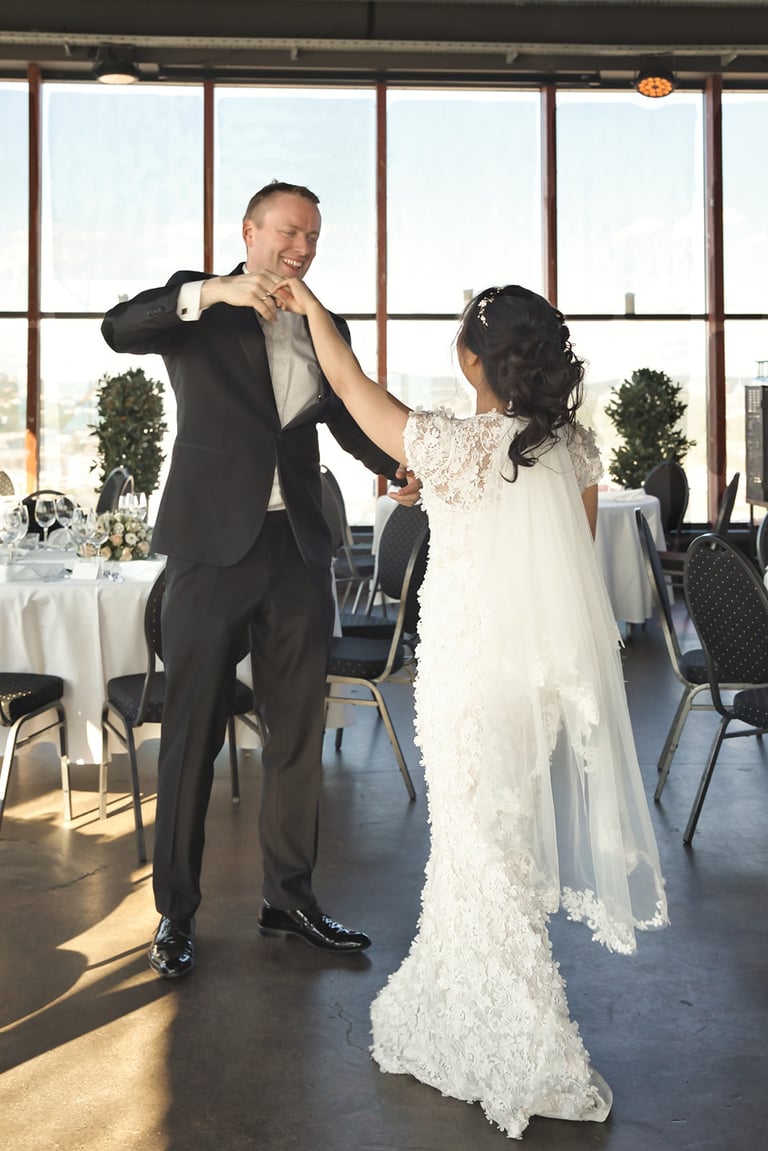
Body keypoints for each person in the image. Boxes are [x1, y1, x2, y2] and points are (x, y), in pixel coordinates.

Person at [270, 276, 669, 1139]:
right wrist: (443, 491)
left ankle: (526, 1045)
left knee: (479, 844)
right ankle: (458, 1004)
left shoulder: (453, 443)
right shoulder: (571, 449)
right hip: (532, 684)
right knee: (491, 842)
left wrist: (310, 309)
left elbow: (350, 386)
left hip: (467, 681)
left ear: (472, 359)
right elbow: (563, 557)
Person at [101, 180, 418, 978]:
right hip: (209, 549)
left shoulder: (324, 321)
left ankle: (290, 898)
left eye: (313, 236)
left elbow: (344, 414)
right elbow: (117, 327)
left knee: (298, 733)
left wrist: (393, 467)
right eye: (289, 231)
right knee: (192, 733)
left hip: (297, 549)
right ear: (250, 231)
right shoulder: (198, 306)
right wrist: (211, 291)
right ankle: (175, 912)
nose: (302, 248)